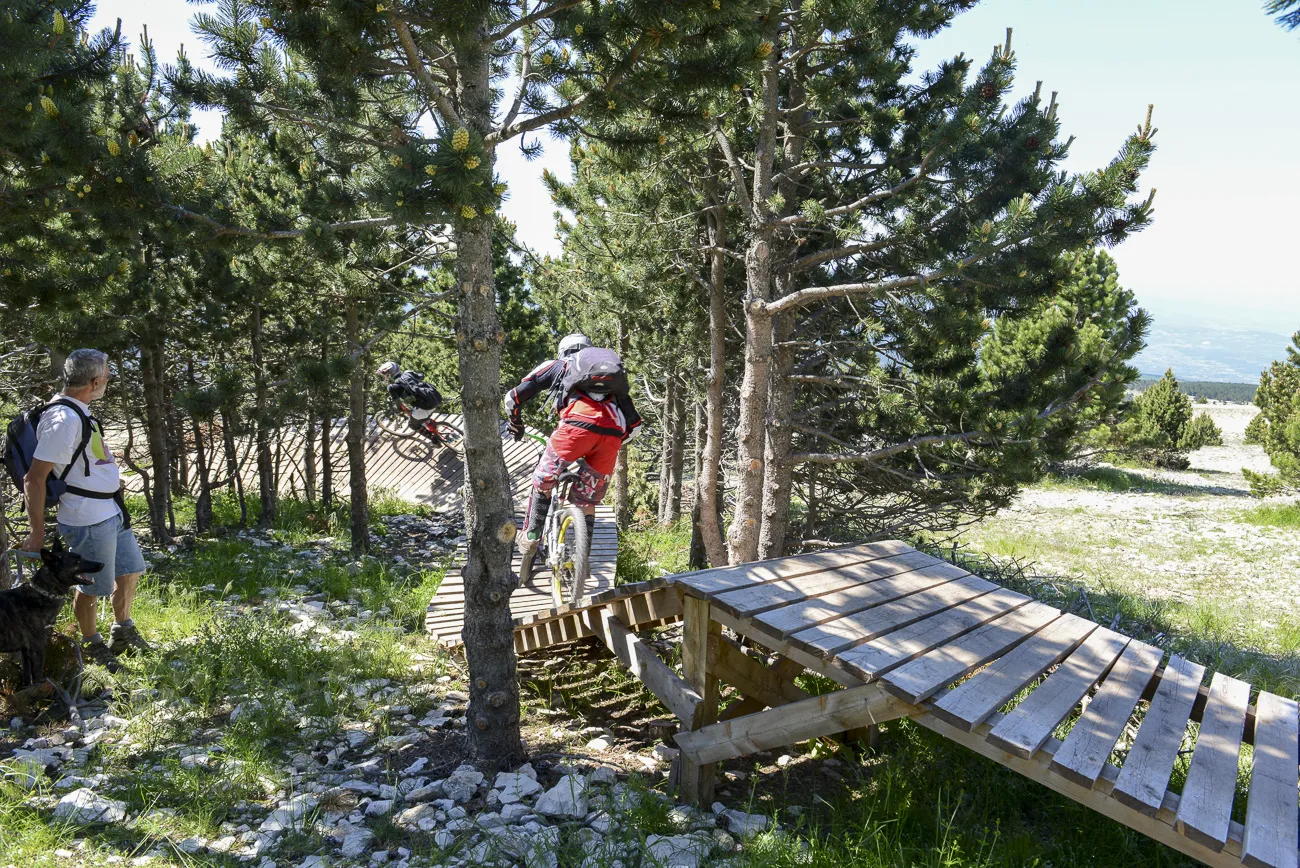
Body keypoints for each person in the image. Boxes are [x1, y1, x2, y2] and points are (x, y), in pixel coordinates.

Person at [21, 349, 149, 673]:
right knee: (91, 588)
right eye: (107, 375)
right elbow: (34, 479)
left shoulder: (80, 412)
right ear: (94, 382)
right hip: (87, 519)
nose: (108, 380)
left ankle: (122, 631)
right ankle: (92, 646)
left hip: (110, 512)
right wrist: (36, 534)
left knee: (129, 570)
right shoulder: (62, 420)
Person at [505, 333, 642, 566]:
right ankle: (582, 557)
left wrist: (515, 424)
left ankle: (530, 536)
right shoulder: (612, 381)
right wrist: (606, 442)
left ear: (562, 351)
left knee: (543, 479)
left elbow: (513, 398)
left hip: (575, 428)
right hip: (612, 434)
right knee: (586, 499)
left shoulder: (559, 365)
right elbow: (635, 428)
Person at [376, 361, 444, 434]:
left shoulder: (392, 387)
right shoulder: (408, 373)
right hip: (436, 397)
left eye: (384, 374)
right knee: (421, 414)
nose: (384, 376)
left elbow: (397, 403)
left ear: (388, 374)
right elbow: (421, 376)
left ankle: (435, 441)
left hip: (426, 406)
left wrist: (399, 409)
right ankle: (432, 424)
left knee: (412, 424)